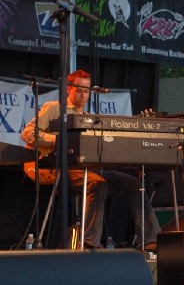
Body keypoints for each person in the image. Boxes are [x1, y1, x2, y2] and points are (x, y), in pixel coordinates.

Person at [21, 69, 161, 250]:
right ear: (69, 89)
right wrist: (58, 140)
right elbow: (27, 133)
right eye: (79, 89)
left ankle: (151, 239)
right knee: (98, 184)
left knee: (133, 184)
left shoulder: (90, 119)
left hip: (82, 167)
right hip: (47, 166)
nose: (83, 94)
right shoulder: (54, 107)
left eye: (86, 91)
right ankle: (89, 241)